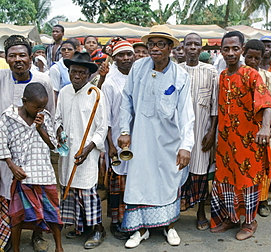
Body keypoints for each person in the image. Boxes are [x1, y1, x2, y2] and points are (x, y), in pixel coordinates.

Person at [0, 35, 55, 252]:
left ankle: (38, 235)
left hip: (35, 151)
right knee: (8, 194)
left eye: (22, 55)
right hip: (7, 151)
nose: (17, 59)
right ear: (5, 58)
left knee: (39, 193)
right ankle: (8, 235)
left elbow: (51, 114)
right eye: (12, 56)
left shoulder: (43, 80)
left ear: (30, 57)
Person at [117, 25, 194, 248]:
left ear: (170, 48)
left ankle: (169, 226)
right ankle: (140, 231)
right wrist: (124, 131)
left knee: (167, 183)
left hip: (169, 142)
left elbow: (186, 114)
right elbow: (126, 101)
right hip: (140, 139)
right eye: (151, 44)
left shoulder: (181, 75)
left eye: (161, 44)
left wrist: (185, 146)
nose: (155, 49)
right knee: (139, 183)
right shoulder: (138, 68)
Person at [210, 31, 271, 241]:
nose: (230, 53)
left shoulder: (251, 74)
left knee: (247, 181)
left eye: (235, 49)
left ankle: (249, 222)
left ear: (242, 49)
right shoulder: (222, 75)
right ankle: (231, 218)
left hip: (248, 141)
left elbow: (267, 103)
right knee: (226, 180)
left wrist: (265, 128)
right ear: (220, 50)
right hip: (226, 142)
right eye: (226, 49)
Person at [0, 83, 63, 252]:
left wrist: (40, 129)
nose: (40, 110)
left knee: (52, 212)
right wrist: (12, 166)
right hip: (22, 175)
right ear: (24, 101)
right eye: (37, 106)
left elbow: (54, 146)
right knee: (17, 215)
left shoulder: (45, 117)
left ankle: (59, 247)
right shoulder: (8, 117)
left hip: (44, 173)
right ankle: (16, 248)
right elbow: (2, 146)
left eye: (43, 106)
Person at [55, 52, 107, 249]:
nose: (77, 76)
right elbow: (57, 119)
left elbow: (102, 127)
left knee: (87, 191)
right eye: (73, 71)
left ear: (88, 75)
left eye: (81, 73)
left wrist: (88, 148)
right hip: (68, 151)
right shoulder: (64, 92)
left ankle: (98, 229)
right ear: (68, 72)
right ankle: (80, 226)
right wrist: (59, 131)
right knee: (70, 189)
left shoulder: (96, 94)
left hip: (87, 153)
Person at [179, 33, 218, 231]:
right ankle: (175, 210)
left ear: (201, 49)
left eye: (196, 44)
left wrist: (211, 132)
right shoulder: (176, 71)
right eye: (189, 44)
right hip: (179, 134)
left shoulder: (211, 72)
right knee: (177, 172)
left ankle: (201, 211)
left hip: (202, 131)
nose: (192, 47)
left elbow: (214, 105)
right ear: (183, 48)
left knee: (200, 173)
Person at [243, 39, 271, 217]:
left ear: (262, 58)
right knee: (243, 168)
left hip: (263, 131)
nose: (252, 61)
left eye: (256, 58)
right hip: (241, 131)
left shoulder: (270, 78)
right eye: (249, 57)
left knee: (263, 167)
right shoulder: (236, 75)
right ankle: (243, 203)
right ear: (243, 55)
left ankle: (262, 201)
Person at [101, 38, 135, 240]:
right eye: (121, 55)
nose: (125, 58)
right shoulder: (110, 83)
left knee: (133, 182)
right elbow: (105, 118)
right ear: (114, 58)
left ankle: (132, 221)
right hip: (116, 141)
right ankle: (116, 222)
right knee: (117, 184)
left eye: (128, 54)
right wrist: (111, 144)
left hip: (136, 139)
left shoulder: (139, 78)